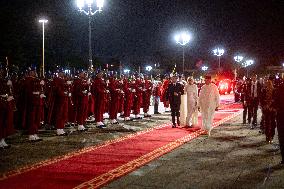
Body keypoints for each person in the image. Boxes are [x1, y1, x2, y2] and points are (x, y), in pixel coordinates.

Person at [260, 76, 276, 143]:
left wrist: (272, 106)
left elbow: (276, 100)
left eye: (270, 82)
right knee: (266, 123)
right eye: (268, 82)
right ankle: (267, 136)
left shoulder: (275, 90)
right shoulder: (263, 90)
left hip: (272, 109)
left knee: (272, 123)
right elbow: (261, 99)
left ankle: (271, 136)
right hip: (266, 108)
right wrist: (264, 106)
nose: (269, 83)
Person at [274, 77, 284, 164]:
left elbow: (275, 101)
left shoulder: (280, 87)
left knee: (282, 137)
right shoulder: (280, 87)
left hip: (281, 115)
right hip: (280, 115)